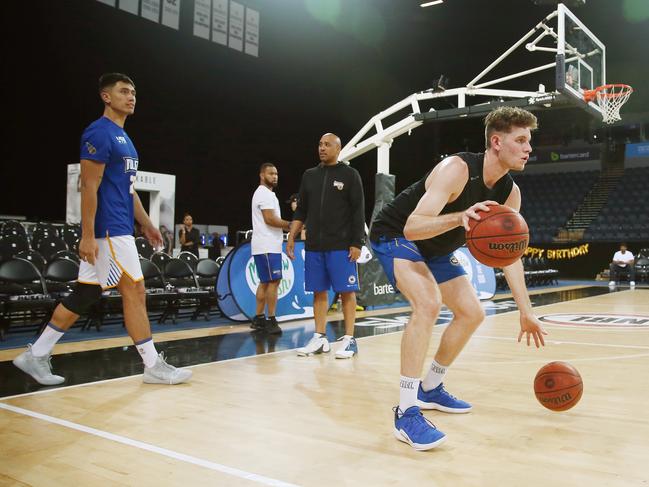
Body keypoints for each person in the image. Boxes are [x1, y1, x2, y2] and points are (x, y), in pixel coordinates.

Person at [369, 106, 547, 450]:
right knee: (428, 303)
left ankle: (431, 388)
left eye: (529, 141)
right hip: (397, 235)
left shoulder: (510, 194)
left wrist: (526, 311)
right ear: (496, 141)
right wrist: (459, 217)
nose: (528, 148)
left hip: (435, 247)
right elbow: (412, 225)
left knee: (472, 312)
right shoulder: (457, 169)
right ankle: (406, 412)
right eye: (521, 140)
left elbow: (511, 255)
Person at [13, 73, 191, 386]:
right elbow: (89, 186)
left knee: (86, 293)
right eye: (124, 91)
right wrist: (86, 235)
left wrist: (148, 224)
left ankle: (35, 354)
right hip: (108, 230)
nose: (131, 96)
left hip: (120, 226)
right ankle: (152, 365)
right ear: (106, 97)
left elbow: (129, 190)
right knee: (134, 290)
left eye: (134, 91)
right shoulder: (98, 133)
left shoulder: (126, 139)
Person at [286, 133, 365, 359]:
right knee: (318, 292)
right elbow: (301, 210)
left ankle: (349, 339)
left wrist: (356, 242)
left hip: (341, 245)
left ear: (338, 149)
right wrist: (292, 236)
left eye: (327, 145)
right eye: (320, 144)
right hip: (314, 246)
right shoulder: (309, 175)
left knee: (347, 292)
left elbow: (358, 211)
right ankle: (320, 338)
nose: (322, 148)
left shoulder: (350, 175)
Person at [251, 163, 291, 335]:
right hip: (267, 245)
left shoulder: (266, 194)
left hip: (266, 245)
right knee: (273, 282)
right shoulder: (264, 194)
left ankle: (259, 319)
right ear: (262, 175)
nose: (274, 176)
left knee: (265, 282)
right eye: (270, 173)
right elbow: (270, 219)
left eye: (276, 173)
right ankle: (271, 320)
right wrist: (291, 225)